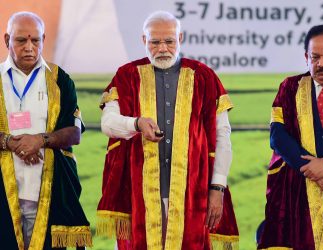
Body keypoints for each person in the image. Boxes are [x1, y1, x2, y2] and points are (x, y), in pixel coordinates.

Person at [97, 10, 239, 249]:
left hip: (193, 192)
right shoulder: (127, 76)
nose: (162, 48)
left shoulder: (204, 77)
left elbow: (223, 137)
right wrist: (136, 123)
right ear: (144, 41)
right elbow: (108, 123)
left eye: (169, 41)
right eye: (155, 42)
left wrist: (217, 188)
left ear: (180, 39)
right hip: (137, 192)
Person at [0, 11, 92, 249]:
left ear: (43, 40)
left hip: (52, 197)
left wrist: (39, 140)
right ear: (7, 40)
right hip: (4, 198)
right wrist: (11, 142)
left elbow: (74, 133)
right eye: (21, 40)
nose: (29, 47)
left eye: (36, 40)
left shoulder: (60, 79)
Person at [258, 24, 323, 249]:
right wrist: (313, 170)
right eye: (314, 57)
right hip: (299, 190)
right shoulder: (290, 87)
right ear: (306, 57)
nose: (321, 64)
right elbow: (277, 136)